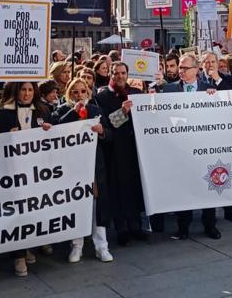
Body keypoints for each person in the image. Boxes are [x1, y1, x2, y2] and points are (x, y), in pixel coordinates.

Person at [0, 81, 52, 277]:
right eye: (23, 89)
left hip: (36, 172)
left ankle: (29, 247)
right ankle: (18, 255)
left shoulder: (43, 110)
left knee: (32, 210)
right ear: (16, 91)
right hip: (12, 172)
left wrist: (51, 130)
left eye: (30, 89)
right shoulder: (2, 114)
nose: (26, 94)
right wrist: (6, 137)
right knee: (15, 212)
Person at [161, 54, 222, 239]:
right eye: (180, 67)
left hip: (204, 146)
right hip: (180, 147)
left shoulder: (208, 89)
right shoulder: (169, 89)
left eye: (185, 68)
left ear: (196, 70)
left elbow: (225, 107)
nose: (181, 71)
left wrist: (214, 98)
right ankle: (183, 227)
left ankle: (210, 225)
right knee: (184, 187)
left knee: (208, 187)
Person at [52, 78, 111, 262]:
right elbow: (55, 131)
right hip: (72, 167)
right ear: (69, 94)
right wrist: (72, 113)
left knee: (97, 206)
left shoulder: (96, 110)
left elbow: (110, 135)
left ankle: (101, 246)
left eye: (83, 91)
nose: (79, 95)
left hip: (94, 166)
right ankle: (76, 246)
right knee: (76, 204)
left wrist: (102, 131)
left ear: (88, 93)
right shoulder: (62, 111)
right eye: (75, 92)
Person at [91, 62, 148, 245]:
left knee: (134, 187)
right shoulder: (102, 97)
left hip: (134, 149)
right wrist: (123, 112)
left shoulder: (137, 94)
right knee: (117, 188)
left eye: (123, 73)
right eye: (116, 73)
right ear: (111, 75)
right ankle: (121, 228)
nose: (120, 76)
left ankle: (136, 225)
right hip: (114, 150)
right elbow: (106, 123)